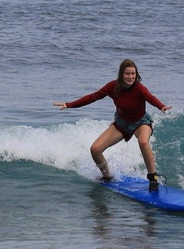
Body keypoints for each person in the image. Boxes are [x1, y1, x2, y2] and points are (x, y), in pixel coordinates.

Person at [54, 59, 172, 190]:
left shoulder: (139, 88)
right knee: (95, 149)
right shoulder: (113, 87)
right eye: (127, 73)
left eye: (133, 73)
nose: (130, 77)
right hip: (121, 123)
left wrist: (161, 106)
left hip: (140, 122)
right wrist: (69, 105)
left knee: (143, 142)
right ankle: (107, 176)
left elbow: (150, 97)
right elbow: (93, 97)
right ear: (121, 74)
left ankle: (153, 179)